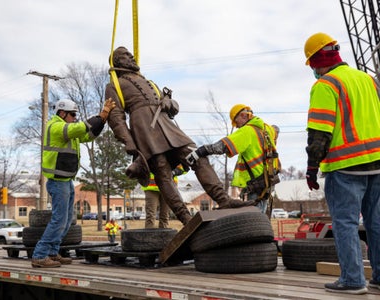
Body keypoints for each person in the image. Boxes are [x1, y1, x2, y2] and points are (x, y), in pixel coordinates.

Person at [105, 46, 251, 226]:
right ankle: (185, 218)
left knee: (198, 157)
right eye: (126, 55)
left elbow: (174, 107)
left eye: (130, 54)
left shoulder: (150, 82)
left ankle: (223, 199)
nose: (132, 57)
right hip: (145, 132)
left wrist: (169, 102)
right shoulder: (114, 85)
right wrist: (128, 141)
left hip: (169, 128)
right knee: (162, 173)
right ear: (118, 61)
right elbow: (116, 117)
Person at [304, 32, 380, 294]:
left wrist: (312, 168)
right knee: (376, 223)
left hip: (345, 166)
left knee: (345, 223)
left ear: (316, 61)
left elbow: (319, 135)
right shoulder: (367, 80)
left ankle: (352, 280)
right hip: (377, 163)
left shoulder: (326, 84)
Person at [31, 98, 115, 268]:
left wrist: (102, 121)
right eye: (72, 114)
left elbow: (88, 135)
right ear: (62, 113)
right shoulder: (56, 126)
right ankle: (40, 255)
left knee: (67, 219)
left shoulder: (68, 130)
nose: (75, 117)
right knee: (59, 220)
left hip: (66, 180)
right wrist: (101, 114)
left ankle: (53, 253)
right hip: (57, 182)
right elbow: (80, 128)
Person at [186, 104, 280, 214]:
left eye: (236, 122)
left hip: (256, 185)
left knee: (254, 221)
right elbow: (276, 130)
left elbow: (222, 146)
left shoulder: (247, 131)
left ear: (244, 115)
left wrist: (200, 151)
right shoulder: (266, 129)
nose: (237, 126)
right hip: (269, 181)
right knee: (261, 219)